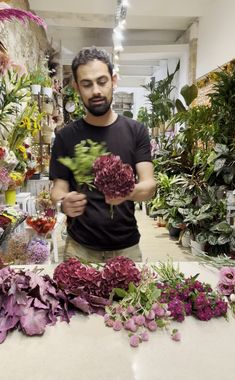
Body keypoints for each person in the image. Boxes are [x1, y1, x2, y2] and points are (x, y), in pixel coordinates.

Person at [49, 46, 156, 263]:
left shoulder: (136, 131)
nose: (96, 91)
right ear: (77, 87)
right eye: (87, 84)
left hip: (127, 248)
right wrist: (63, 203)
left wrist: (125, 192)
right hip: (79, 249)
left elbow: (149, 186)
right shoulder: (65, 137)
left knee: (131, 298)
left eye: (102, 81)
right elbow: (58, 190)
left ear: (113, 81)